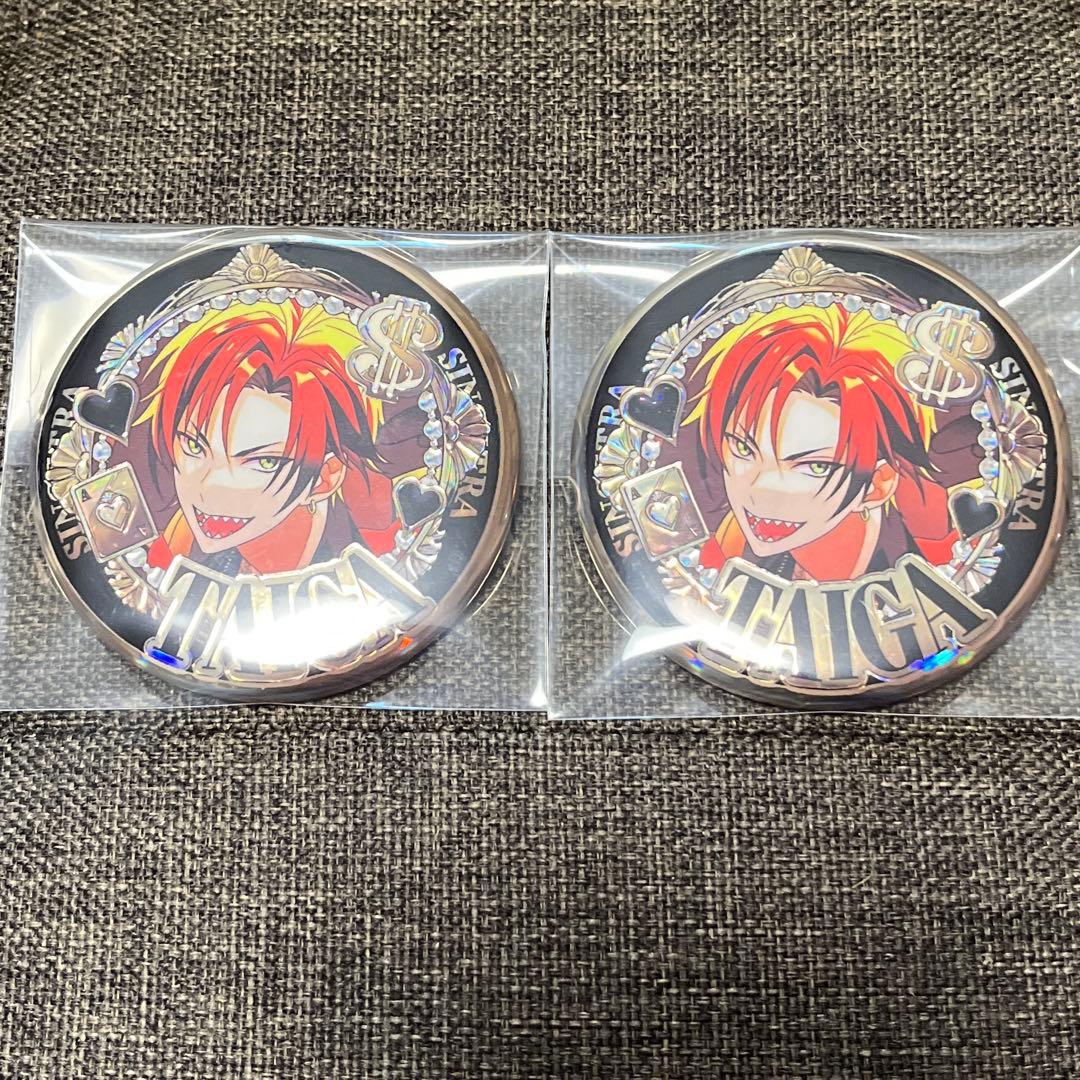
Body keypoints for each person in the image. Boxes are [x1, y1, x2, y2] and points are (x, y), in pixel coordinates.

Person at [683, 304, 972, 582]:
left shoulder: (946, 565)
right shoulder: (728, 546)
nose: (762, 492)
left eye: (815, 466)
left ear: (877, 484)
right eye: (744, 448)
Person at [135, 298, 399, 577]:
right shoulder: (178, 544)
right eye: (194, 446)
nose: (209, 488)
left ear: (325, 477)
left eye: (264, 462)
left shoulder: (384, 552)